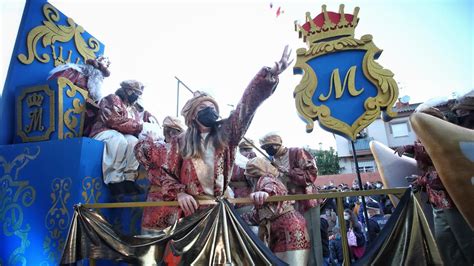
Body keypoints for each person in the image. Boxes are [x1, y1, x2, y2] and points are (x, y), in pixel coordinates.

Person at [159, 46, 292, 217]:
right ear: (192, 115)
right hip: (189, 214)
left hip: (219, 211)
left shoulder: (227, 135)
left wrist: (268, 76)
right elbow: (166, 173)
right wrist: (179, 193)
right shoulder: (180, 141)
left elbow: (246, 106)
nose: (210, 110)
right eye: (203, 107)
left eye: (213, 107)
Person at [396, 106, 474, 265]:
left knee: (465, 240)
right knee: (444, 240)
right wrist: (406, 148)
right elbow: (421, 150)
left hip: (453, 200)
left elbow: (446, 172)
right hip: (436, 201)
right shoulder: (422, 142)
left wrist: (421, 180)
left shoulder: (446, 141)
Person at [259, 132, 322, 265]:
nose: (267, 150)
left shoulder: (297, 152)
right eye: (264, 148)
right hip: (289, 208)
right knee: (297, 243)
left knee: (312, 239)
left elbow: (311, 174)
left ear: (277, 144)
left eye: (269, 147)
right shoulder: (272, 161)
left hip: (306, 202)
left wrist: (289, 172)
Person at [244, 157, 310, 265]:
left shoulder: (266, 179)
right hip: (284, 230)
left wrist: (264, 193)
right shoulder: (265, 181)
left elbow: (272, 188)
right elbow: (259, 215)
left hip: (289, 230)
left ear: (251, 176)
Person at [90, 80, 145, 195]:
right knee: (118, 139)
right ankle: (114, 179)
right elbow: (113, 120)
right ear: (127, 91)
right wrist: (138, 127)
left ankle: (129, 179)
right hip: (104, 131)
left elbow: (136, 128)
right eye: (134, 92)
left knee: (134, 142)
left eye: (138, 94)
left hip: (124, 134)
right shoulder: (112, 99)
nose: (136, 96)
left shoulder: (134, 110)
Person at [135, 116, 185, 233]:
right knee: (173, 240)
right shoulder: (185, 151)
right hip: (178, 199)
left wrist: (149, 139)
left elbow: (140, 151)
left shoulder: (157, 148)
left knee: (151, 241)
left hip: (156, 200)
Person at [229, 138, 257, 214]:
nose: (246, 152)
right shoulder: (234, 156)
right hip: (234, 191)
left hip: (244, 193)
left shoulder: (251, 156)